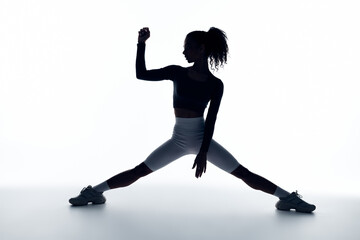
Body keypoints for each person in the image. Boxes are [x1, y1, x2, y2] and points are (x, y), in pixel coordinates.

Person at [69, 27, 316, 213]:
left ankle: (287, 198)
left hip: (201, 139)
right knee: (140, 171)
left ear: (201, 50)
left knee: (243, 173)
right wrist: (141, 44)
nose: (183, 50)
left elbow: (211, 121)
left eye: (188, 46)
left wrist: (203, 151)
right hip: (178, 140)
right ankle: (95, 193)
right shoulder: (177, 72)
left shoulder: (215, 85)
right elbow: (141, 75)